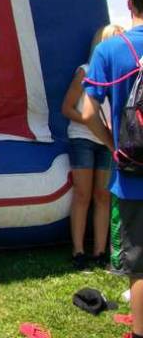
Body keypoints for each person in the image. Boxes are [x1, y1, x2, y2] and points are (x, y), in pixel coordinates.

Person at [82, 0, 143, 338]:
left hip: (134, 175)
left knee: (139, 267)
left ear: (128, 2)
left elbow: (87, 113)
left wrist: (112, 144)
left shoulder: (111, 49)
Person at [62, 24, 123, 270]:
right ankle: (78, 250)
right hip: (83, 140)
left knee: (103, 196)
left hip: (107, 142)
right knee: (82, 194)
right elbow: (67, 108)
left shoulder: (119, 74)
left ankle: (100, 251)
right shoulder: (85, 72)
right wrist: (92, 123)